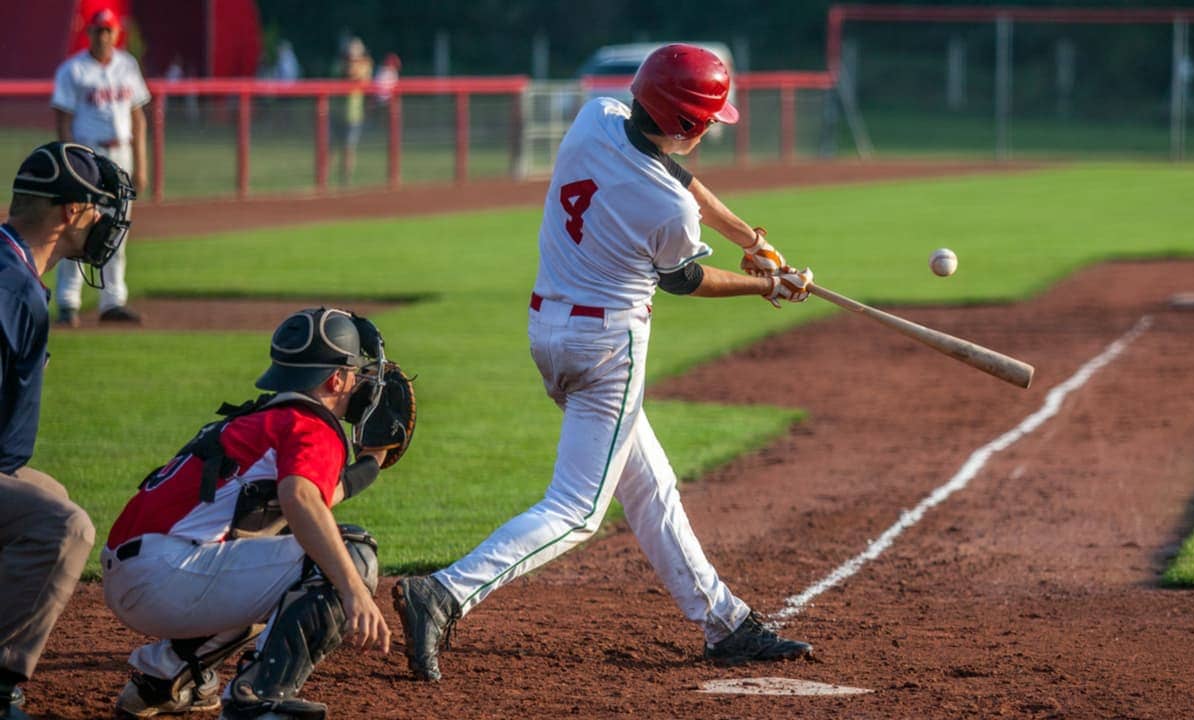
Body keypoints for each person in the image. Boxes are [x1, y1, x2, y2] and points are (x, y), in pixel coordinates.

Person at [394, 44, 814, 683]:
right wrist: (768, 287)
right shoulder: (669, 212)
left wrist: (753, 243)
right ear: (687, 125)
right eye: (705, 121)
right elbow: (682, 278)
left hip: (548, 329)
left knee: (650, 486)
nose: (708, 130)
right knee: (578, 510)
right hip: (607, 350)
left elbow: (671, 172)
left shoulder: (595, 117)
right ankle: (446, 592)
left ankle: (723, 622)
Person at [100, 307, 403, 719]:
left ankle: (165, 676)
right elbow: (300, 498)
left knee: (288, 554)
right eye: (355, 372)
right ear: (335, 379)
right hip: (168, 575)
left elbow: (313, 495)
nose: (361, 381)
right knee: (348, 555)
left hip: (141, 570)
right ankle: (258, 699)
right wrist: (353, 590)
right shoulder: (311, 425)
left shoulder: (269, 417)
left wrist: (369, 465)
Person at [1, 141, 135, 720]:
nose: (105, 222)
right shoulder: (11, 286)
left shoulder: (11, 269)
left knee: (48, 494)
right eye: (97, 208)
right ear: (68, 212)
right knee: (65, 528)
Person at [51, 7, 149, 326]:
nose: (103, 36)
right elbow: (63, 121)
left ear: (116, 33)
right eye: (98, 30)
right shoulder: (73, 70)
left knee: (117, 228)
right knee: (74, 227)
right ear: (89, 33)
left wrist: (142, 163)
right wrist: (70, 163)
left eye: (108, 30)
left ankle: (112, 301)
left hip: (121, 154)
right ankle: (68, 302)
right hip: (88, 156)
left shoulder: (127, 65)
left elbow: (138, 117)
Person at [338, 38, 373, 185]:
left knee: (349, 147)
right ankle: (324, 180)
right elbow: (341, 73)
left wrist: (356, 63)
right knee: (328, 148)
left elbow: (359, 76)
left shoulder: (365, 65)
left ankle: (346, 179)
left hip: (354, 115)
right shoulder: (341, 64)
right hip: (337, 113)